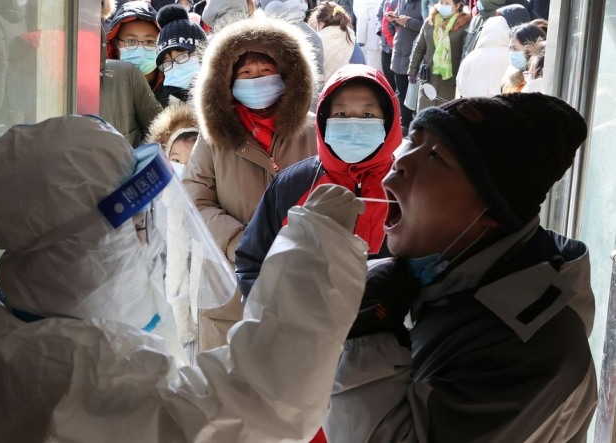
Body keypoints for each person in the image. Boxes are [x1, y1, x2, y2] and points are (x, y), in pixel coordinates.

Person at [0, 115, 370, 443]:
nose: (148, 235)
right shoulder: (76, 374)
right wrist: (316, 249)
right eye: (134, 219)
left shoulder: (32, 323)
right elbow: (260, 407)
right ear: (80, 244)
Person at [322, 93, 597, 442]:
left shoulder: (532, 350)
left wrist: (367, 338)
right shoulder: (447, 278)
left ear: (492, 210)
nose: (399, 165)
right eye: (414, 140)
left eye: (437, 156)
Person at [182, 17, 317, 350]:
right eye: (245, 73)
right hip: (231, 280)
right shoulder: (214, 139)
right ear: (227, 82)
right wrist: (241, 243)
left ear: (287, 75)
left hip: (301, 275)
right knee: (228, 383)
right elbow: (194, 200)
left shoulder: (315, 131)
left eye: (265, 71)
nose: (257, 80)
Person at [236, 64, 402, 300]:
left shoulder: (410, 190)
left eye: (367, 115)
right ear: (325, 120)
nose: (353, 124)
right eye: (341, 114)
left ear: (387, 121)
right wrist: (280, 318)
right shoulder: (291, 185)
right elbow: (252, 263)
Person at [408, 0, 470, 110]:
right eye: (442, 2)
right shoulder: (430, 22)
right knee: (424, 115)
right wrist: (412, 70)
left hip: (449, 83)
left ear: (457, 5)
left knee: (445, 117)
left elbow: (465, 55)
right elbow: (419, 47)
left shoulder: (464, 25)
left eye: (447, 3)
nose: (443, 6)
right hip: (428, 81)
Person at [106, 1, 166, 102]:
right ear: (115, 46)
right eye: (130, 41)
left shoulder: (172, 90)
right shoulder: (102, 88)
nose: (140, 49)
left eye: (149, 41)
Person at [154, 4, 207, 106]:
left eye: (182, 56)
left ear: (204, 54)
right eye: (166, 64)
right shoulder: (160, 106)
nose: (175, 68)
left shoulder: (234, 97)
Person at [387, 0, 423, 135]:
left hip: (413, 54)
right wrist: (394, 18)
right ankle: (405, 124)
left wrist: (408, 22)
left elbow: (427, 25)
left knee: (413, 94)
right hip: (399, 54)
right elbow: (400, 20)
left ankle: (413, 126)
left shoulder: (424, 3)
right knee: (401, 92)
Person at [309, 2, 365, 83]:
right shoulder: (352, 40)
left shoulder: (317, 43)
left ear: (320, 23)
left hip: (326, 93)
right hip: (354, 89)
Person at [455, 15, 510, 97]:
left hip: (474, 105)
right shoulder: (510, 56)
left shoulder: (471, 57)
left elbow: (461, 85)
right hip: (503, 105)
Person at [502, 21, 546, 93]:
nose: (511, 53)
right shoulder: (510, 80)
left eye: (515, 48)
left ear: (531, 48)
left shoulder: (539, 80)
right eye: (510, 48)